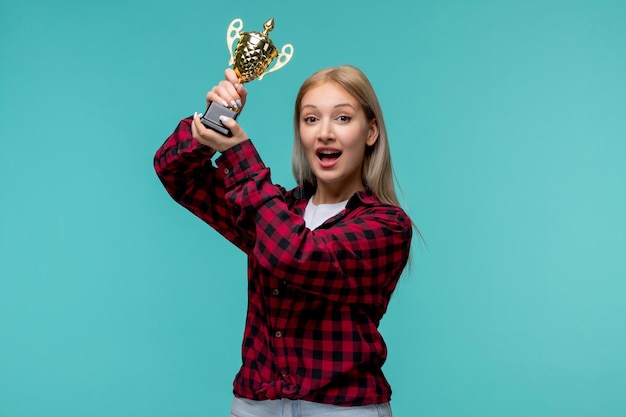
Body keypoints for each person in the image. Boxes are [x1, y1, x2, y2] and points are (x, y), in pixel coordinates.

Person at [154, 65, 413, 417]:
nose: (325, 133)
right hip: (255, 407)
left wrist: (239, 154)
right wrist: (214, 121)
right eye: (310, 119)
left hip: (342, 409)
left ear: (370, 132)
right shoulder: (275, 209)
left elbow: (295, 255)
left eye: (342, 118)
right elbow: (176, 174)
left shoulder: (387, 225)